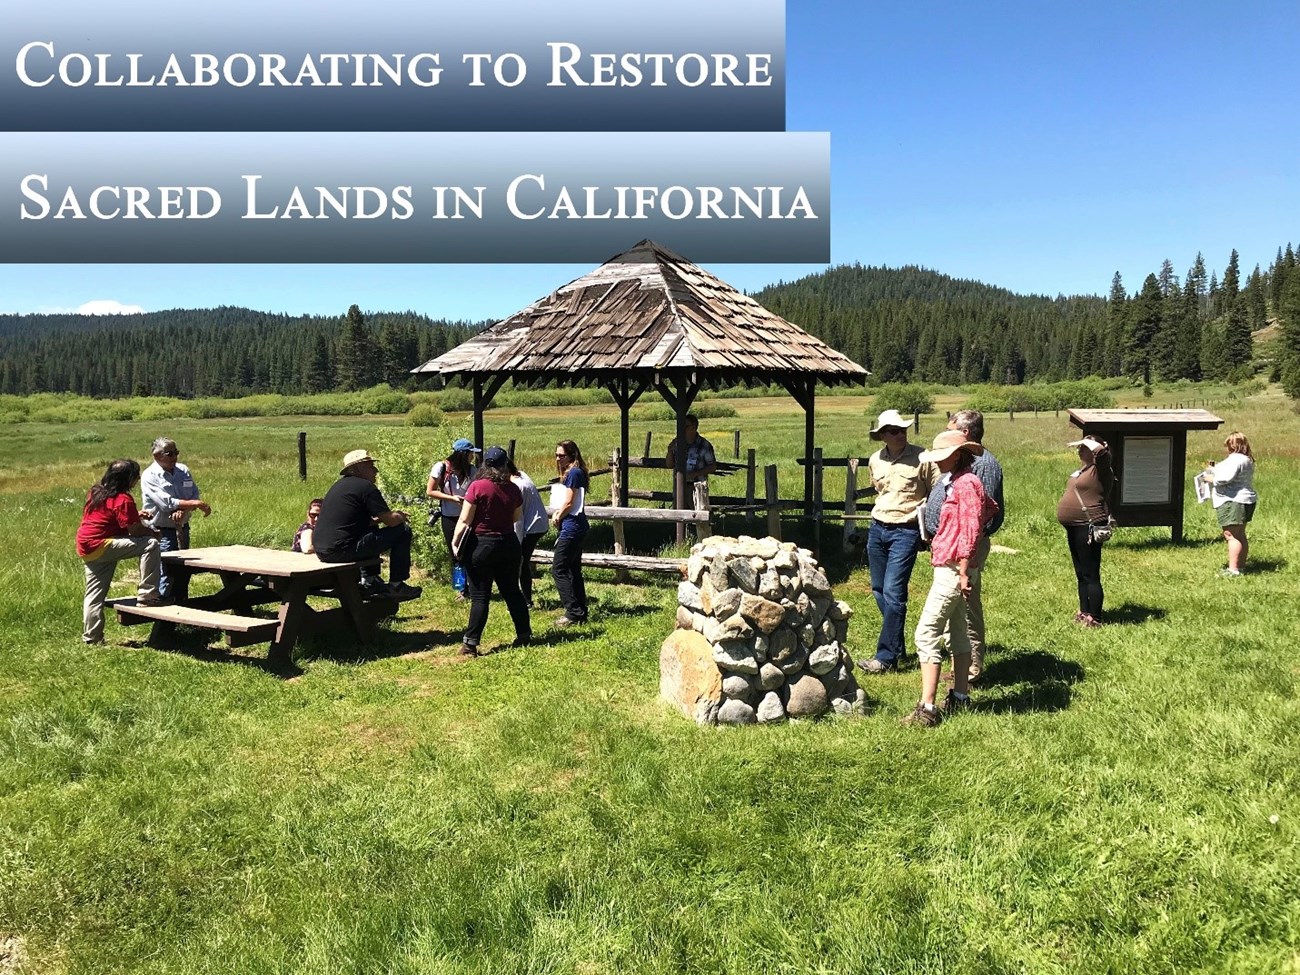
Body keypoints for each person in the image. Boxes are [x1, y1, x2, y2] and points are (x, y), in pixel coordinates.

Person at [902, 431, 998, 728]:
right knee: (958, 631)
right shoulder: (961, 481)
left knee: (926, 633)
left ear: (957, 455)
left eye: (943, 456)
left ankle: (927, 708)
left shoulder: (966, 484)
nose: (938, 462)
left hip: (955, 567)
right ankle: (960, 695)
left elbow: (971, 528)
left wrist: (965, 569)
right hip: (954, 564)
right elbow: (987, 510)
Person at [923, 409, 1004, 685]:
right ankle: (961, 672)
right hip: (952, 550)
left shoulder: (982, 468)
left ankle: (970, 671)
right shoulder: (959, 470)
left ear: (964, 437)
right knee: (956, 616)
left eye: (950, 429)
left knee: (966, 611)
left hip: (965, 552)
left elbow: (981, 515)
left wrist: (965, 557)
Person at [858, 409, 937, 673]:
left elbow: (937, 491)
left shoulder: (923, 457)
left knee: (893, 592)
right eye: (894, 431)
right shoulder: (875, 460)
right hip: (878, 527)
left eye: (903, 429)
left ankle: (886, 657)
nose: (900, 434)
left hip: (906, 530)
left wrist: (929, 525)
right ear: (882, 435)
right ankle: (897, 643)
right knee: (879, 589)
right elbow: (879, 489)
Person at [450, 446, 532, 656]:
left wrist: (455, 543)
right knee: (512, 591)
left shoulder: (477, 487)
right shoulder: (513, 489)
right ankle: (524, 634)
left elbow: (465, 519)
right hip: (508, 543)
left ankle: (470, 644)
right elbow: (516, 518)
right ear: (505, 465)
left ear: (485, 464)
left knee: (480, 596)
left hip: (481, 545)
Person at [314, 449, 421, 601]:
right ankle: (397, 585)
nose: (375, 470)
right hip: (342, 550)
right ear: (357, 469)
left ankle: (370, 581)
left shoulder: (339, 486)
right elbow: (390, 520)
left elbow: (355, 522)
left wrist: (381, 519)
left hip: (323, 550)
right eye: (371, 466)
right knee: (402, 530)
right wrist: (400, 516)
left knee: (371, 529)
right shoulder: (365, 487)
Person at [76, 459, 163, 644]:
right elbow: (135, 530)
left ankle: (92, 639)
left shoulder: (96, 491)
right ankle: (147, 595)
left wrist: (135, 515)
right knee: (151, 544)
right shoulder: (123, 498)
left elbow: (109, 517)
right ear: (127, 478)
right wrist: (153, 533)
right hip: (102, 544)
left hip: (86, 546)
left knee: (94, 595)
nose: (138, 479)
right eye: (136, 475)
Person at [141, 436, 211, 600]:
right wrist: (192, 503)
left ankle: (182, 608)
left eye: (176, 452)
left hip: (183, 528)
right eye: (169, 454)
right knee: (167, 571)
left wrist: (182, 508)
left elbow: (193, 493)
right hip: (161, 531)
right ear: (157, 456)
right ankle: (166, 612)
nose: (174, 457)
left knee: (184, 570)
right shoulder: (150, 475)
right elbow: (165, 503)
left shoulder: (183, 470)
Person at [1056, 436, 1114, 627]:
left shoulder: (1101, 469)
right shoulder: (1083, 470)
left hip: (1087, 525)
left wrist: (1092, 443)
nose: (1080, 450)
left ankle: (1095, 617)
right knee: (1081, 572)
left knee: (1090, 573)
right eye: (1079, 446)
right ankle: (1084, 611)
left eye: (1084, 447)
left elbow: (1103, 454)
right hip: (1074, 525)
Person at [427, 437, 480, 598]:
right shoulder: (441, 467)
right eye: (471, 453)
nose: (473, 457)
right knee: (456, 553)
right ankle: (462, 589)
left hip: (469, 517)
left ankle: (474, 587)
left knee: (472, 552)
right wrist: (453, 499)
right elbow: (430, 491)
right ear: (463, 454)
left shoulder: (472, 471)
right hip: (449, 517)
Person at [1200, 431, 1257, 577]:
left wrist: (1209, 478)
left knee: (1231, 535)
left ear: (1232, 445)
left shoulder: (1235, 459)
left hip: (1233, 500)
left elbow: (1225, 478)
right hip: (1245, 499)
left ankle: (1233, 570)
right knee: (1240, 534)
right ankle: (1240, 566)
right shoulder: (1246, 459)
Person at [550, 439, 590, 627]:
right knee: (573, 570)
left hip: (572, 527)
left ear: (572, 455)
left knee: (558, 569)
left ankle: (572, 611)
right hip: (577, 526)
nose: (558, 459)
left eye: (562, 455)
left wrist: (558, 514)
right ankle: (580, 610)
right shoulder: (576, 471)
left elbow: (569, 502)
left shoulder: (573, 472)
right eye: (557, 455)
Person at [509, 459, 549, 608]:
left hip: (532, 527)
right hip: (538, 522)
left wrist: (516, 544)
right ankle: (525, 599)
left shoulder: (516, 487)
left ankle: (526, 601)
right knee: (522, 561)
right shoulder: (521, 475)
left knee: (521, 561)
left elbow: (518, 520)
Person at [665, 414, 717, 482]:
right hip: (678, 485)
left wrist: (693, 474)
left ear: (694, 428)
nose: (682, 429)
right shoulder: (677, 443)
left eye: (685, 426)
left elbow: (712, 467)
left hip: (697, 486)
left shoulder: (704, 445)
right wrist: (670, 451)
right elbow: (669, 465)